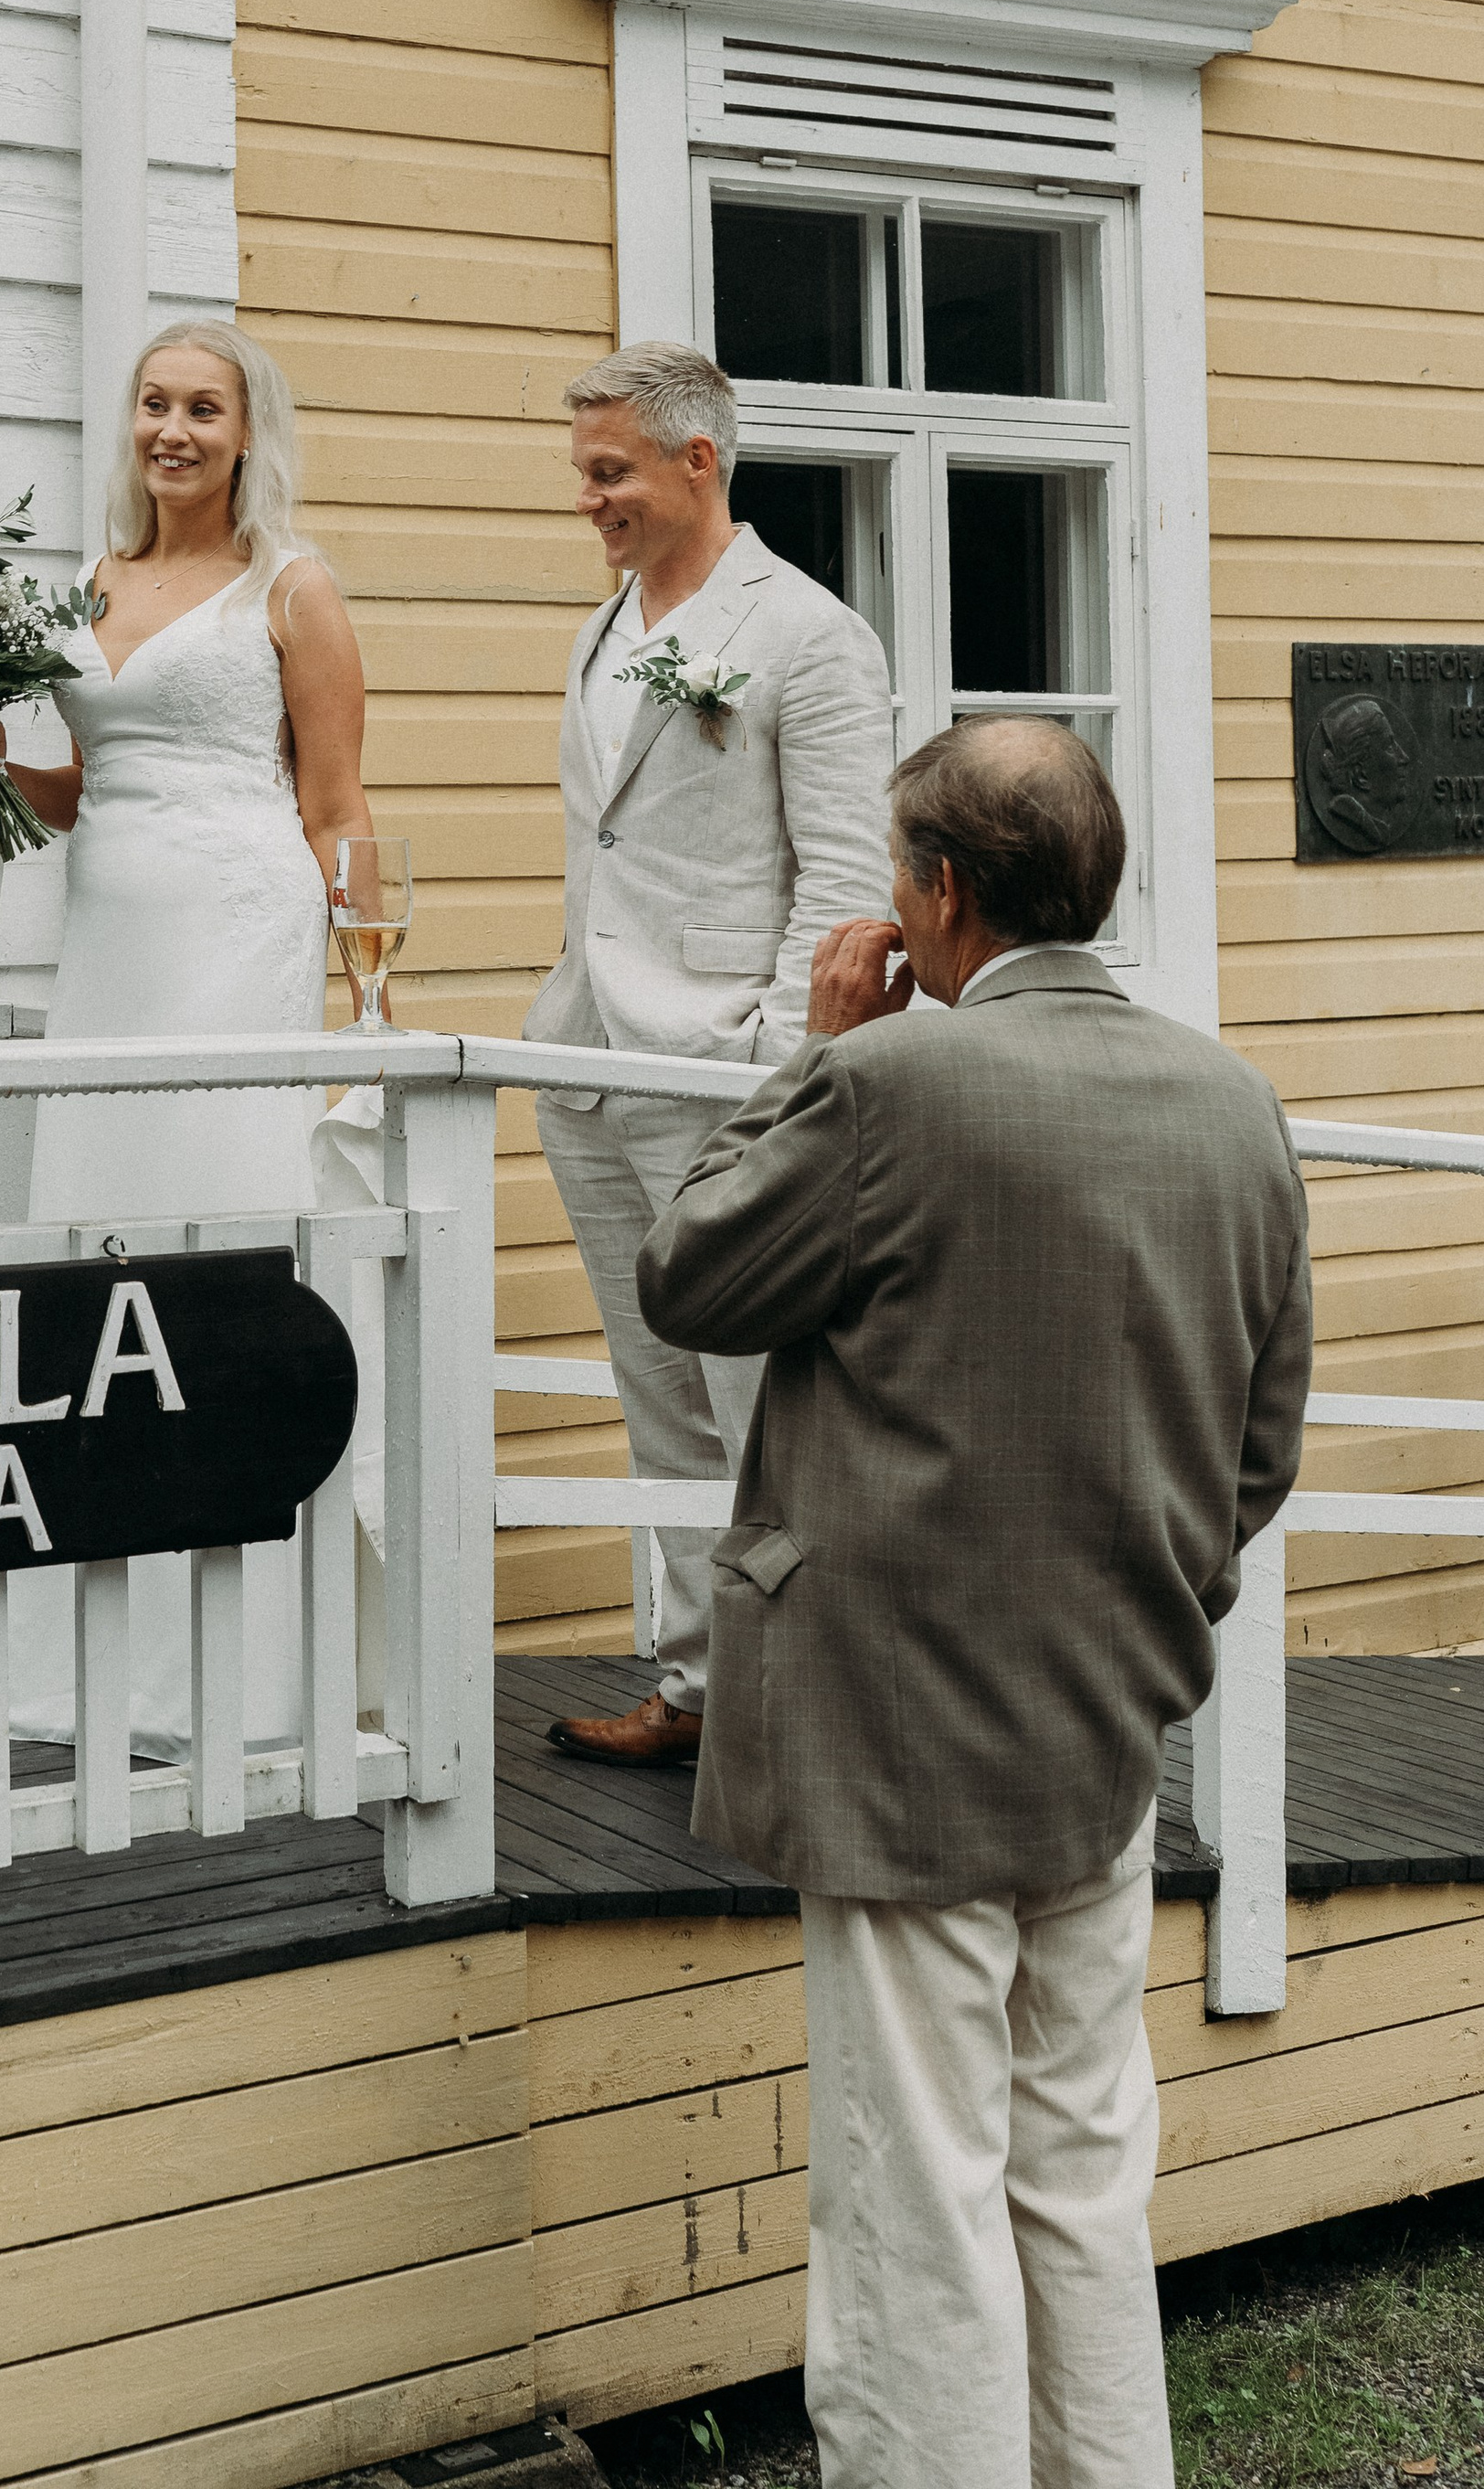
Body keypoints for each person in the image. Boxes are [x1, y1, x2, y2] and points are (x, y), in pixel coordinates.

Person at [637, 718, 1311, 2489]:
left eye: (896, 871)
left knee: (910, 2192)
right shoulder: (1232, 1103)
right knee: (1080, 2168)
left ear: (937, 894)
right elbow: (1258, 1446)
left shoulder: (883, 1089)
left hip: (892, 1734)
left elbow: (687, 1273)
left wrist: (818, 1048)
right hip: (1107, 1713)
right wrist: (1141, 1613)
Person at [0, 317, 378, 1756]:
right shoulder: (94, 579)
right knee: (97, 1247)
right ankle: (74, 1662)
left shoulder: (292, 587)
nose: (172, 430)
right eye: (153, 404)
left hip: (237, 941)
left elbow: (335, 809)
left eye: (202, 409)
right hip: (109, 952)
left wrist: (364, 995)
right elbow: (92, 782)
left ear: (247, 434)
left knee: (214, 1241)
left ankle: (241, 1667)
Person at [525, 340, 895, 1769]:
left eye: (609, 472)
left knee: (759, 1404)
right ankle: (695, 1686)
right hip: (591, 1064)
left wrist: (774, 1072)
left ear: (698, 461)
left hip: (722, 1075)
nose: (588, 500)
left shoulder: (809, 633)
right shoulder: (605, 624)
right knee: (658, 1395)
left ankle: (805, 1707)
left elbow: (846, 882)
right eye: (582, 473)